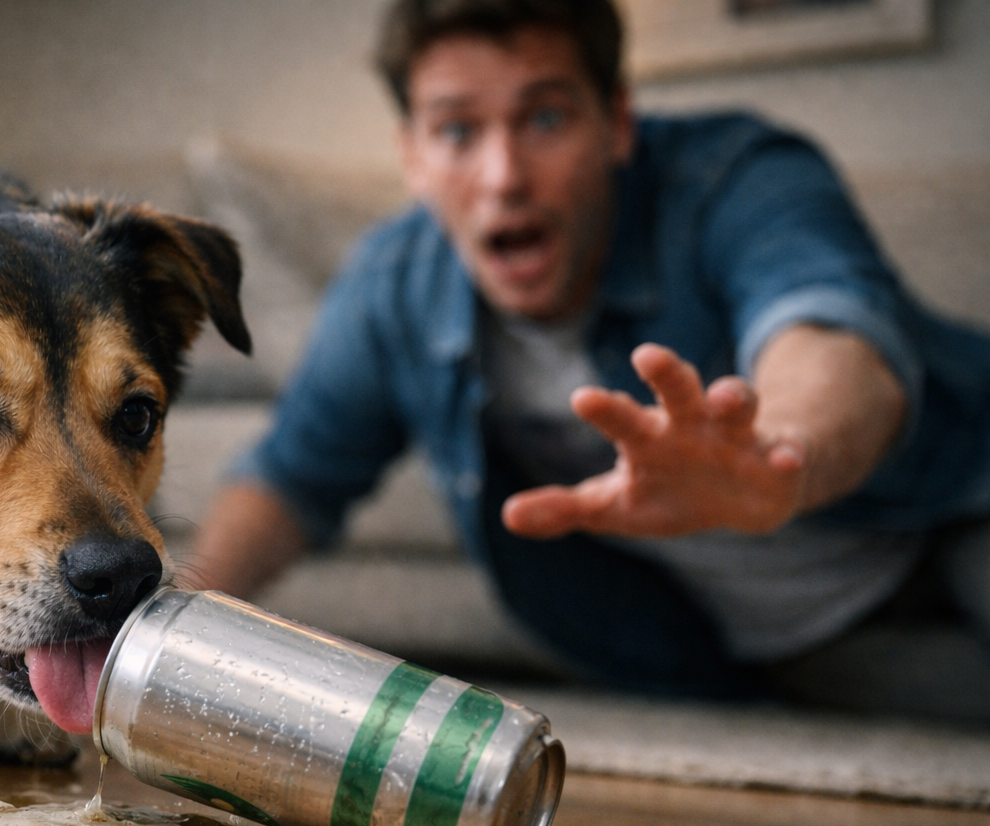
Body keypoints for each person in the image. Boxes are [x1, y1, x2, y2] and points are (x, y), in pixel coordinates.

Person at [185, 0, 990, 705]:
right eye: (458, 130)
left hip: (956, 514)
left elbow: (829, 331)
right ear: (413, 155)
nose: (504, 176)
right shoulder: (392, 284)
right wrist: (167, 627)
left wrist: (781, 456)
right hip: (769, 649)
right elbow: (293, 477)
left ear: (617, 122)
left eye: (545, 118)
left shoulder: (735, 177)